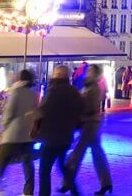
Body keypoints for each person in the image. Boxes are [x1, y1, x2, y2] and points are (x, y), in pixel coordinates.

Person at [0, 69, 39, 196]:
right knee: (28, 163)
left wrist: (2, 127)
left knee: (2, 161)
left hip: (13, 133)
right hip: (27, 134)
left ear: (20, 79)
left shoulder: (16, 92)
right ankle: (28, 192)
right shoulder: (33, 94)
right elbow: (35, 112)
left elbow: (9, 113)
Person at [35, 65, 84, 196]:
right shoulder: (74, 92)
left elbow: (43, 111)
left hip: (50, 137)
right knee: (63, 166)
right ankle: (75, 192)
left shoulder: (52, 91)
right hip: (66, 136)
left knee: (45, 170)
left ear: (56, 76)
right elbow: (80, 113)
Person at [65, 63, 112, 196]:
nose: (88, 72)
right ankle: (106, 183)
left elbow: (90, 107)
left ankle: (67, 182)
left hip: (89, 124)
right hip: (90, 124)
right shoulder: (88, 85)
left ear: (96, 74)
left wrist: (78, 107)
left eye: (91, 71)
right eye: (89, 70)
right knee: (95, 155)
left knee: (77, 153)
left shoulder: (93, 87)